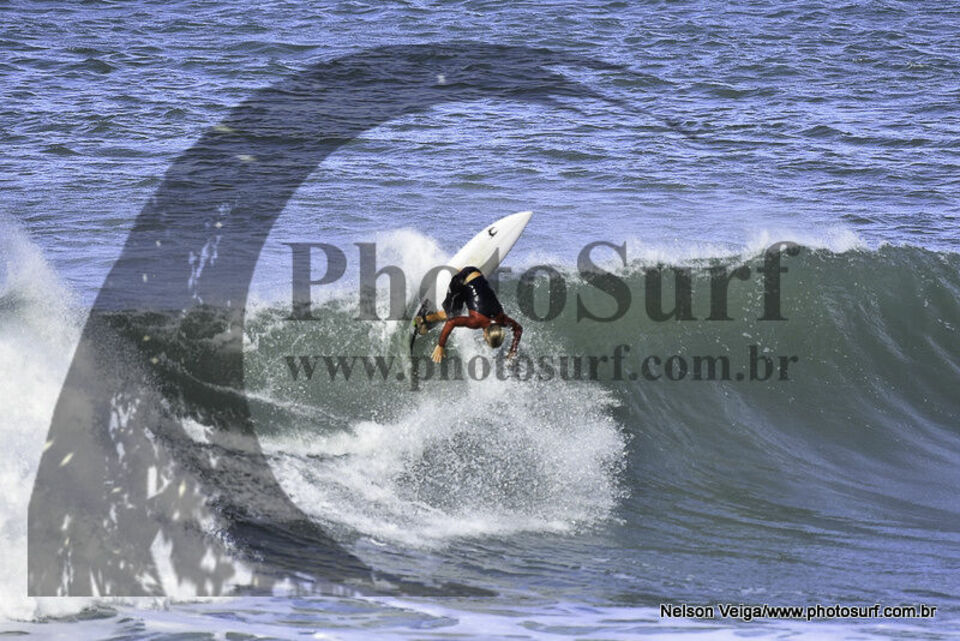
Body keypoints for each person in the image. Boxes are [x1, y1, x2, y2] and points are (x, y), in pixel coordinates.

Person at [415, 265, 522, 363]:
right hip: (461, 281)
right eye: (486, 340)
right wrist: (440, 345)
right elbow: (451, 322)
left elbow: (518, 329)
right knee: (451, 315)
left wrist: (513, 351)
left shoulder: (502, 319)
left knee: (460, 309)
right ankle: (423, 319)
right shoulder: (476, 321)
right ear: (485, 335)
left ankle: (461, 271)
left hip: (476, 272)